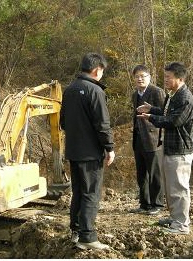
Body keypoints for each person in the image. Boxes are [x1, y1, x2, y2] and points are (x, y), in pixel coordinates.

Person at [60, 52, 115, 250]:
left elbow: (63, 122)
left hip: (74, 151)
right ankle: (88, 236)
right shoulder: (95, 91)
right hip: (91, 153)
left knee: (78, 192)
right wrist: (109, 147)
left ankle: (76, 231)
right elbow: (103, 124)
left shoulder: (69, 90)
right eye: (102, 70)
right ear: (96, 70)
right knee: (91, 193)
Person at [137, 62, 193, 234]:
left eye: (169, 77)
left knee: (179, 188)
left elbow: (173, 121)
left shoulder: (185, 98)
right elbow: (166, 112)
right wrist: (152, 109)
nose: (166, 80)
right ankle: (175, 217)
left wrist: (150, 117)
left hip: (180, 150)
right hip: (170, 148)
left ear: (180, 78)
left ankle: (181, 225)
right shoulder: (174, 95)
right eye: (165, 77)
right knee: (171, 187)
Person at [130, 65, 166, 215]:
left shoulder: (157, 92)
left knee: (155, 173)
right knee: (141, 173)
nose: (140, 79)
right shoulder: (134, 95)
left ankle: (157, 204)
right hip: (139, 138)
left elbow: (165, 114)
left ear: (149, 77)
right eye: (137, 76)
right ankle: (144, 203)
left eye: (143, 76)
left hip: (153, 139)